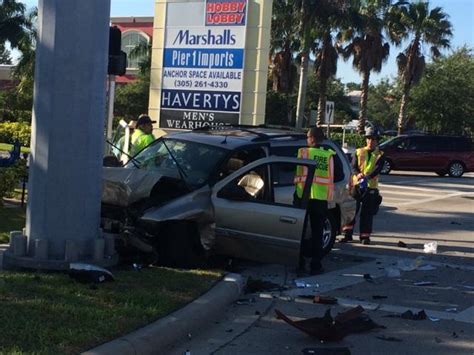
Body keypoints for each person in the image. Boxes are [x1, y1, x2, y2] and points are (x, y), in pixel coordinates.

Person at [294, 127, 335, 275]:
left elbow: (293, 170)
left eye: (307, 137)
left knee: (299, 231)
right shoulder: (329, 155)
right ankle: (316, 265)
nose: (306, 139)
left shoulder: (304, 152)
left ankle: (299, 263)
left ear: (312, 138)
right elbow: (336, 176)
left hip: (303, 197)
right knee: (318, 233)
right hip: (320, 199)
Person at [340, 127, 384, 245]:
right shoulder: (359, 151)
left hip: (371, 187)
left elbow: (377, 168)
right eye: (369, 138)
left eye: (373, 139)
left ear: (377, 141)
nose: (370, 141)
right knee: (351, 211)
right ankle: (347, 234)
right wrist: (358, 174)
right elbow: (353, 166)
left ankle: (365, 236)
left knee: (367, 213)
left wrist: (367, 177)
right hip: (357, 186)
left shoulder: (380, 155)